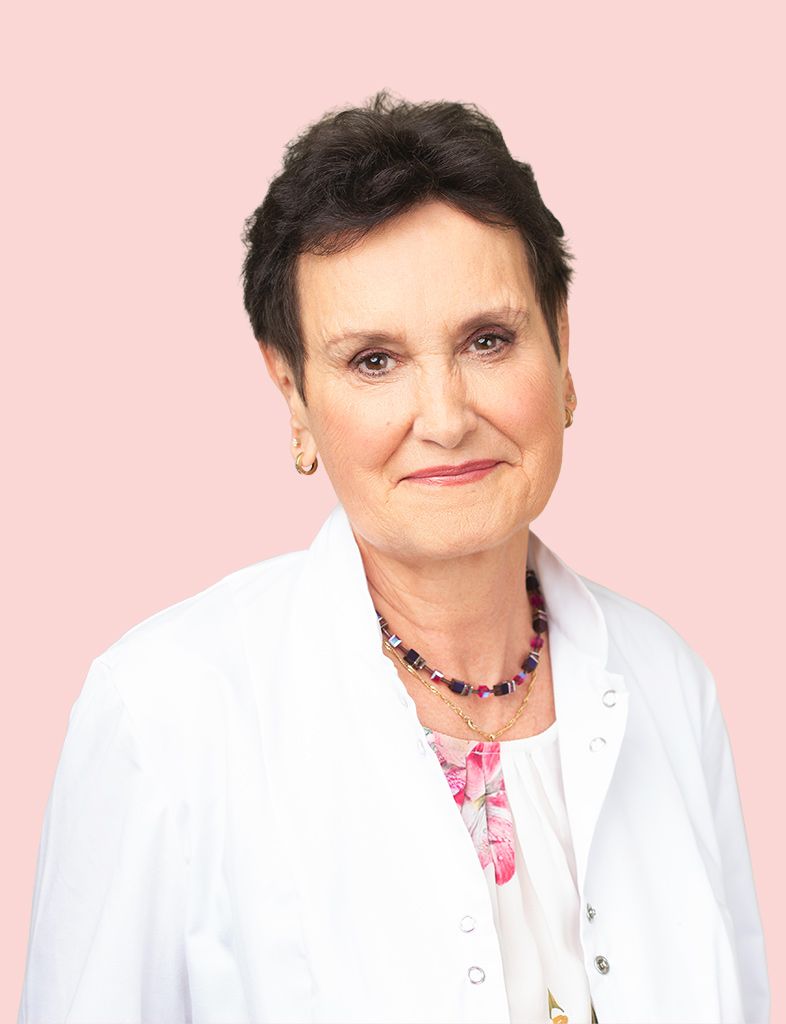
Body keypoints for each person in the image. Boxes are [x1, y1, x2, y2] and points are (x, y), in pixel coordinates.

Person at [17, 91, 769, 1024]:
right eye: (374, 360)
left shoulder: (669, 682)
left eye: (488, 341)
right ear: (292, 392)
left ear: (562, 346)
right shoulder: (166, 714)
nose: (446, 418)